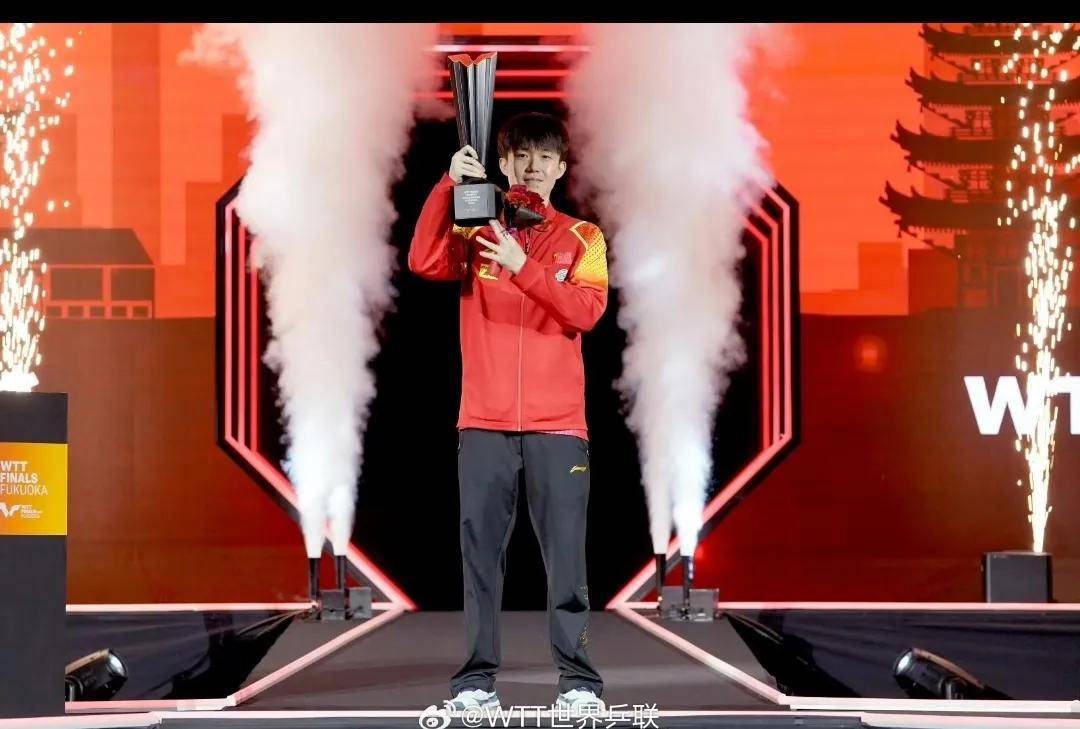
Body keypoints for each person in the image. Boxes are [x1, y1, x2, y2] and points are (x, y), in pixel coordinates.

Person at [408, 112, 609, 713]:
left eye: (545, 157)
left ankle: (579, 685)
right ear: (502, 164)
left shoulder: (584, 237)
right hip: (484, 423)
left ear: (561, 167)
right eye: (521, 155)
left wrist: (524, 268)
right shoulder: (476, 229)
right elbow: (422, 261)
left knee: (567, 563)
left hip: (559, 427)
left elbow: (586, 311)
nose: (533, 167)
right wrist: (448, 184)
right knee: (480, 562)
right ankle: (475, 684)